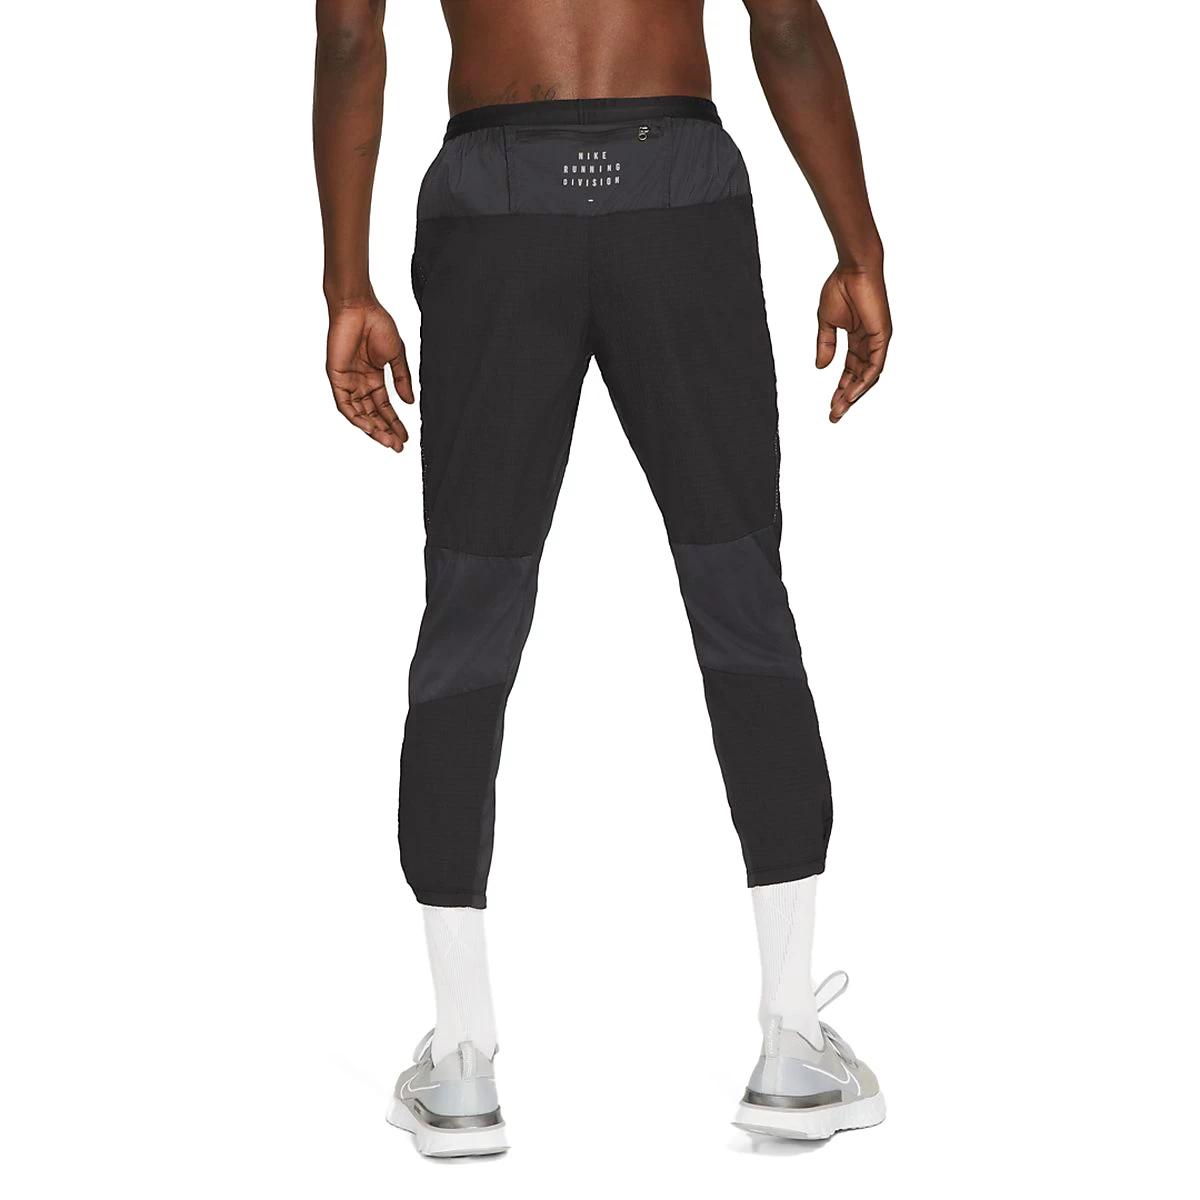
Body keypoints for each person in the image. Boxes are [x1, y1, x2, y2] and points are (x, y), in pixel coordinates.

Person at [314, 0, 891, 1157]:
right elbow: (783, 23)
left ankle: (461, 1061)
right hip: (676, 188)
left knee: (470, 611)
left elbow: (346, 36)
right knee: (740, 594)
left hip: (495, 201)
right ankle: (790, 1037)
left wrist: (347, 287)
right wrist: (859, 249)